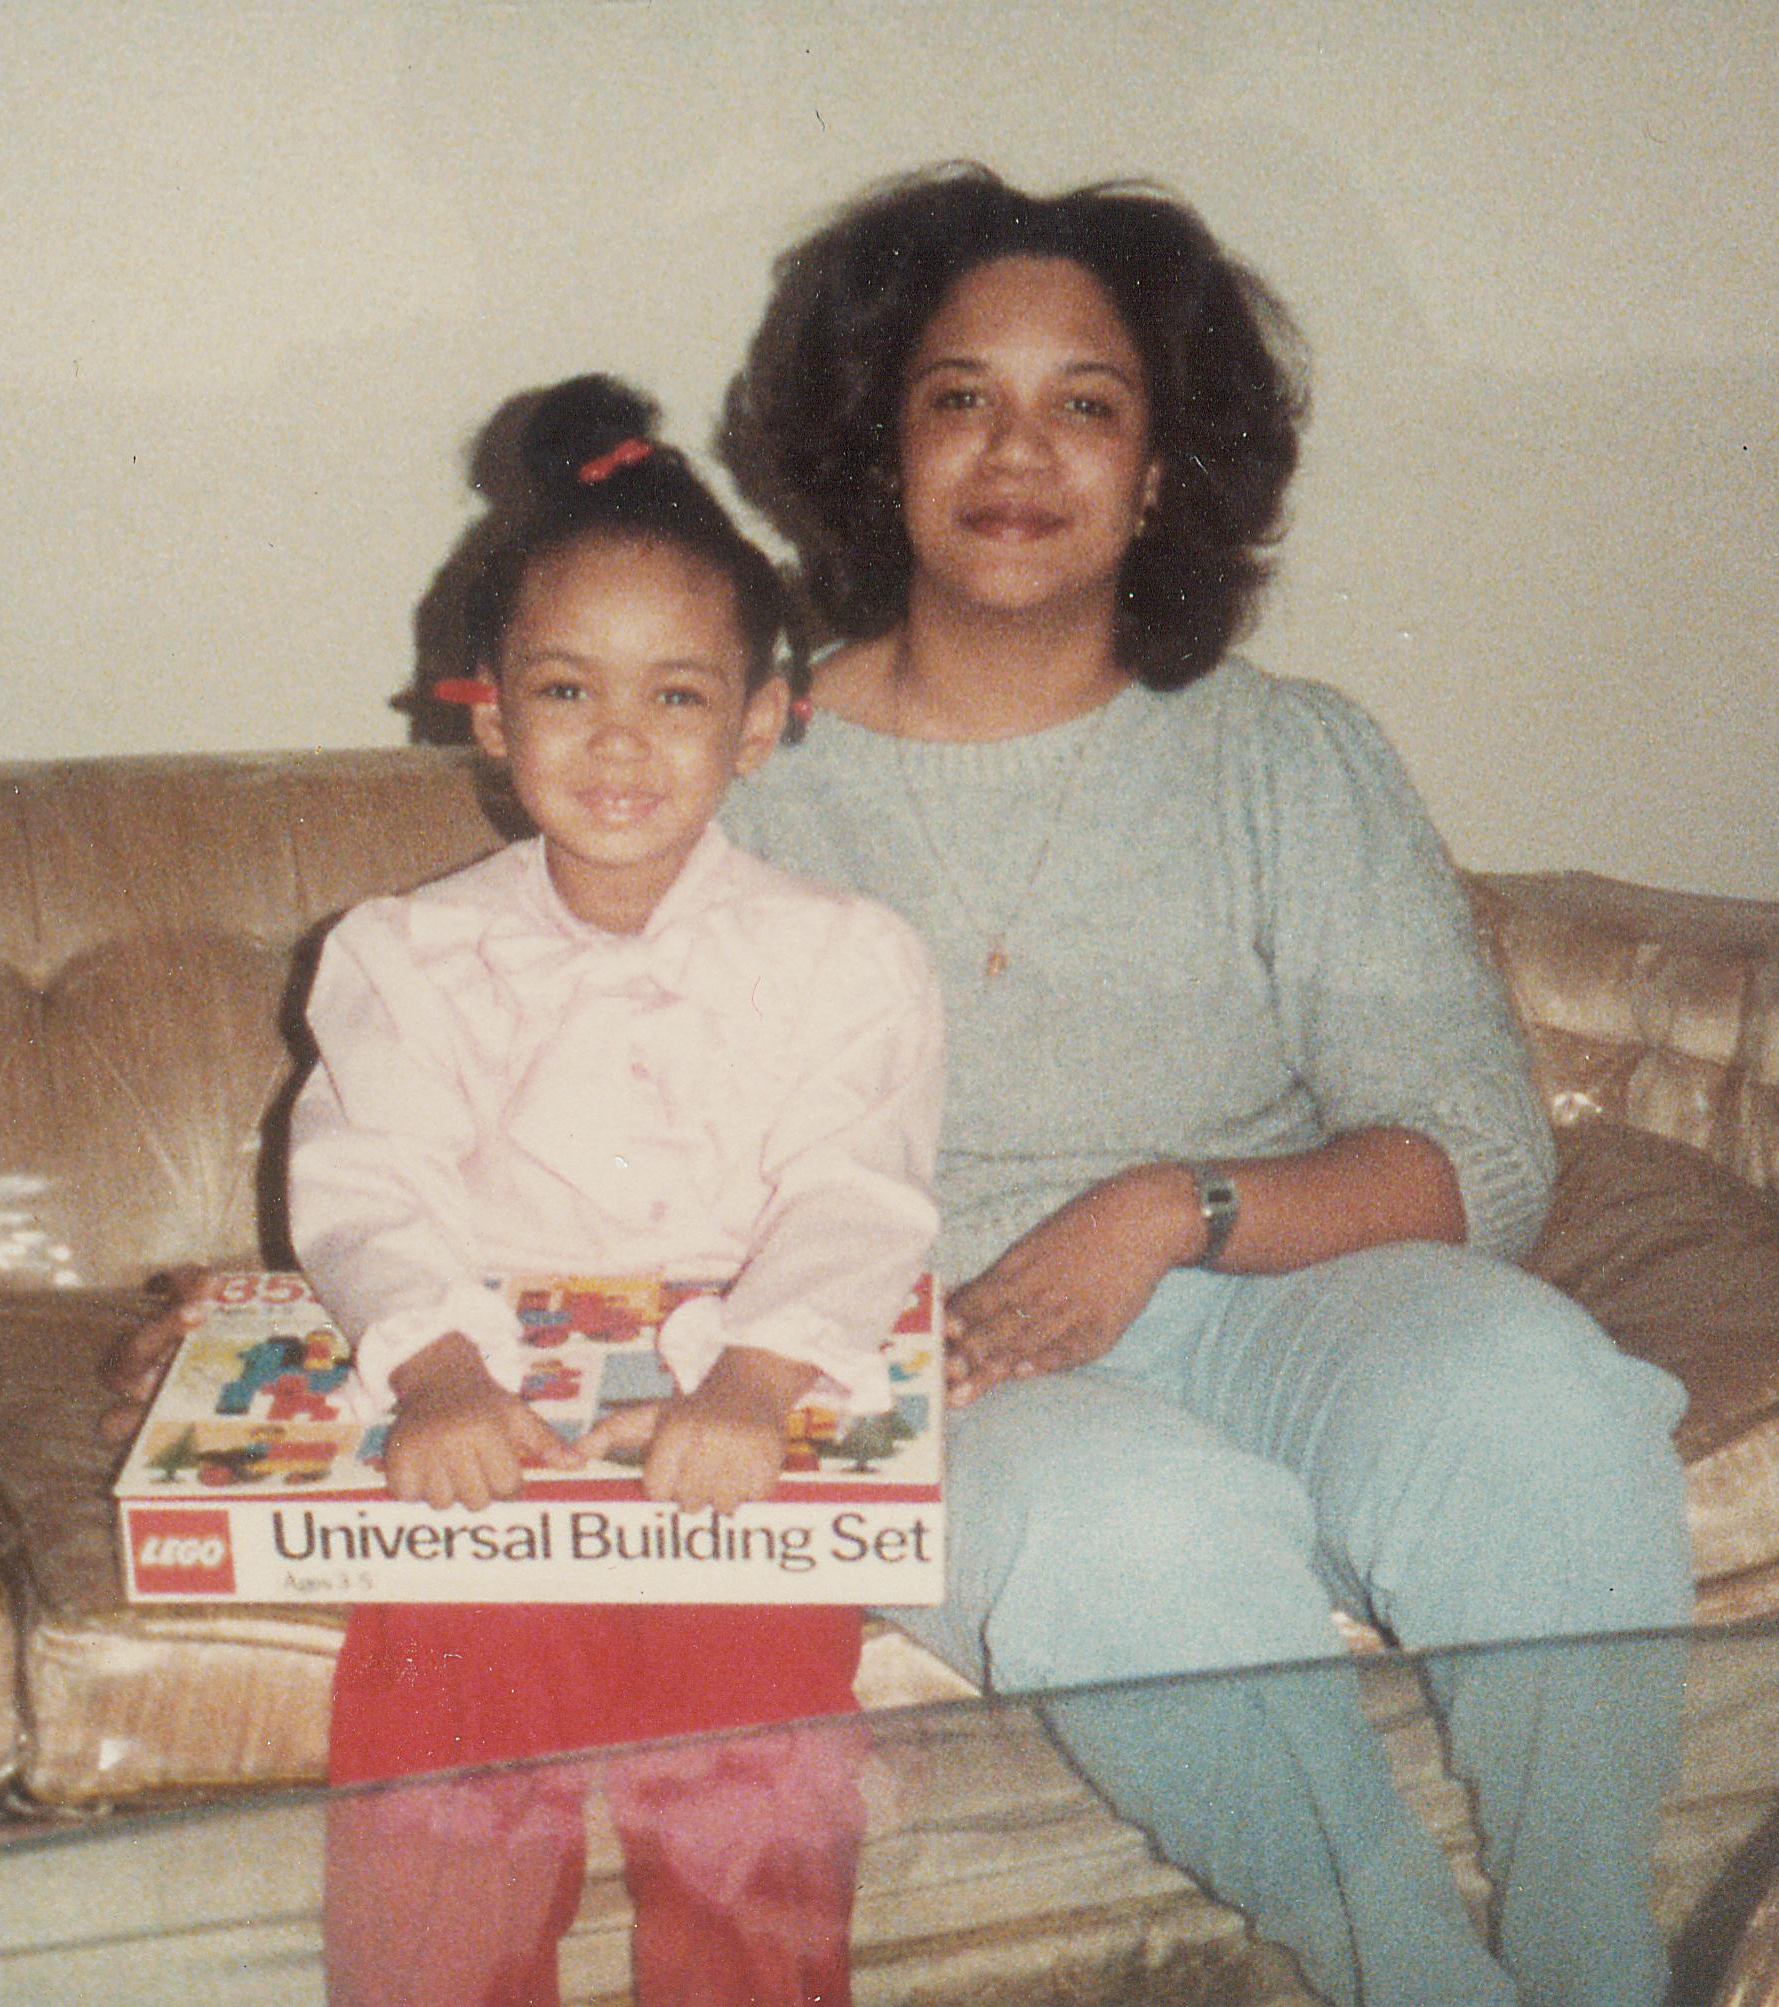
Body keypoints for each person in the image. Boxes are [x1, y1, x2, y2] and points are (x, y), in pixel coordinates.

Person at [707, 165, 1693, 2006]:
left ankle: (1594, 1957)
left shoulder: (1290, 755)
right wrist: (349, 1306)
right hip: (949, 1354)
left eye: (1087, 403)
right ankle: (1416, 1981)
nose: (1020, 451)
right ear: (877, 448)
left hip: (1272, 1289)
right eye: (959, 396)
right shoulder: (743, 772)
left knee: (1544, 1397)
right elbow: (531, 1084)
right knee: (1133, 1531)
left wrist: (1174, 1211)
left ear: (1160, 471)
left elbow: (1479, 1151)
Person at [295, 372, 943, 2007]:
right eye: (567, 691)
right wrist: (438, 1376)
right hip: (490, 1446)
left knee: (753, 1847)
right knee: (442, 1849)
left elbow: (858, 1196)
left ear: (762, 716)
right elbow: (370, 1188)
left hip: (735, 1434)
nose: (618, 743)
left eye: (675, 697)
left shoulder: (843, 956)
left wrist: (753, 1382)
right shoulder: (405, 953)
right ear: (491, 715)